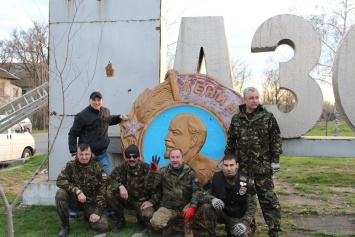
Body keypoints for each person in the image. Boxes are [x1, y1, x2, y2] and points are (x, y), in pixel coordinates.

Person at [224, 86, 282, 237]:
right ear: (245, 100)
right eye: (251, 98)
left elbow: (275, 140)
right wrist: (229, 161)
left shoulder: (267, 117)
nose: (255, 101)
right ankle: (248, 227)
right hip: (242, 169)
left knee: (268, 199)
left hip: (262, 168)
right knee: (243, 199)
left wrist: (275, 161)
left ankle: (274, 228)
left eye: (256, 97)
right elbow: (231, 142)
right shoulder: (237, 119)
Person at [149, 148, 205, 237]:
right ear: (169, 159)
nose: (175, 160)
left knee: (197, 208)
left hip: (185, 206)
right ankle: (169, 223)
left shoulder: (190, 172)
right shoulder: (163, 171)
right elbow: (152, 186)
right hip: (168, 207)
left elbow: (197, 191)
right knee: (156, 223)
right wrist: (152, 173)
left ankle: (188, 229)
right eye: (172, 157)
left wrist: (193, 206)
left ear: (182, 158)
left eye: (177, 157)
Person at [68, 91, 128, 175]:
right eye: (94, 100)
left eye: (98, 100)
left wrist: (119, 117)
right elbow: (72, 134)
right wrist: (74, 153)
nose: (96, 102)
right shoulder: (82, 116)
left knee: (107, 179)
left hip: (102, 155)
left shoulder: (106, 111)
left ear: (102, 101)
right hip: (86, 156)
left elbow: (109, 120)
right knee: (87, 181)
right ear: (89, 101)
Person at [55, 144, 108, 237]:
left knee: (102, 226)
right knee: (60, 194)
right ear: (77, 154)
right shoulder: (70, 166)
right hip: (75, 200)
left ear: (90, 154)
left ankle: (88, 216)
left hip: (91, 202)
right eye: (81, 154)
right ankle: (65, 225)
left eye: (87, 154)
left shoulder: (98, 167)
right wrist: (77, 191)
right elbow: (60, 181)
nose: (84, 157)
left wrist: (97, 212)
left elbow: (103, 191)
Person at [201, 154, 257, 237]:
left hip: (237, 217)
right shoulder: (216, 177)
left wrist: (244, 223)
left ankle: (231, 229)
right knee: (207, 207)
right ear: (222, 165)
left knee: (242, 235)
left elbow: (252, 206)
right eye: (226, 165)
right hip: (221, 213)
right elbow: (202, 193)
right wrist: (212, 199)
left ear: (237, 165)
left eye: (231, 165)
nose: (229, 168)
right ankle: (212, 233)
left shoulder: (246, 181)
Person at [106, 144, 158, 232]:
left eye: (134, 156)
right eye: (128, 156)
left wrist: (151, 201)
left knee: (148, 215)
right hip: (127, 199)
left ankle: (142, 221)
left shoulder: (146, 168)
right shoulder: (122, 167)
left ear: (139, 157)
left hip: (142, 202)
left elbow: (156, 188)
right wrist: (120, 186)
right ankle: (121, 220)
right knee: (109, 193)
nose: (131, 159)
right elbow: (109, 180)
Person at [164, 113, 219, 186]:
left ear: (193, 140)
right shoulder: (162, 171)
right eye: (169, 131)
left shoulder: (213, 170)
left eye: (175, 133)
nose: (166, 138)